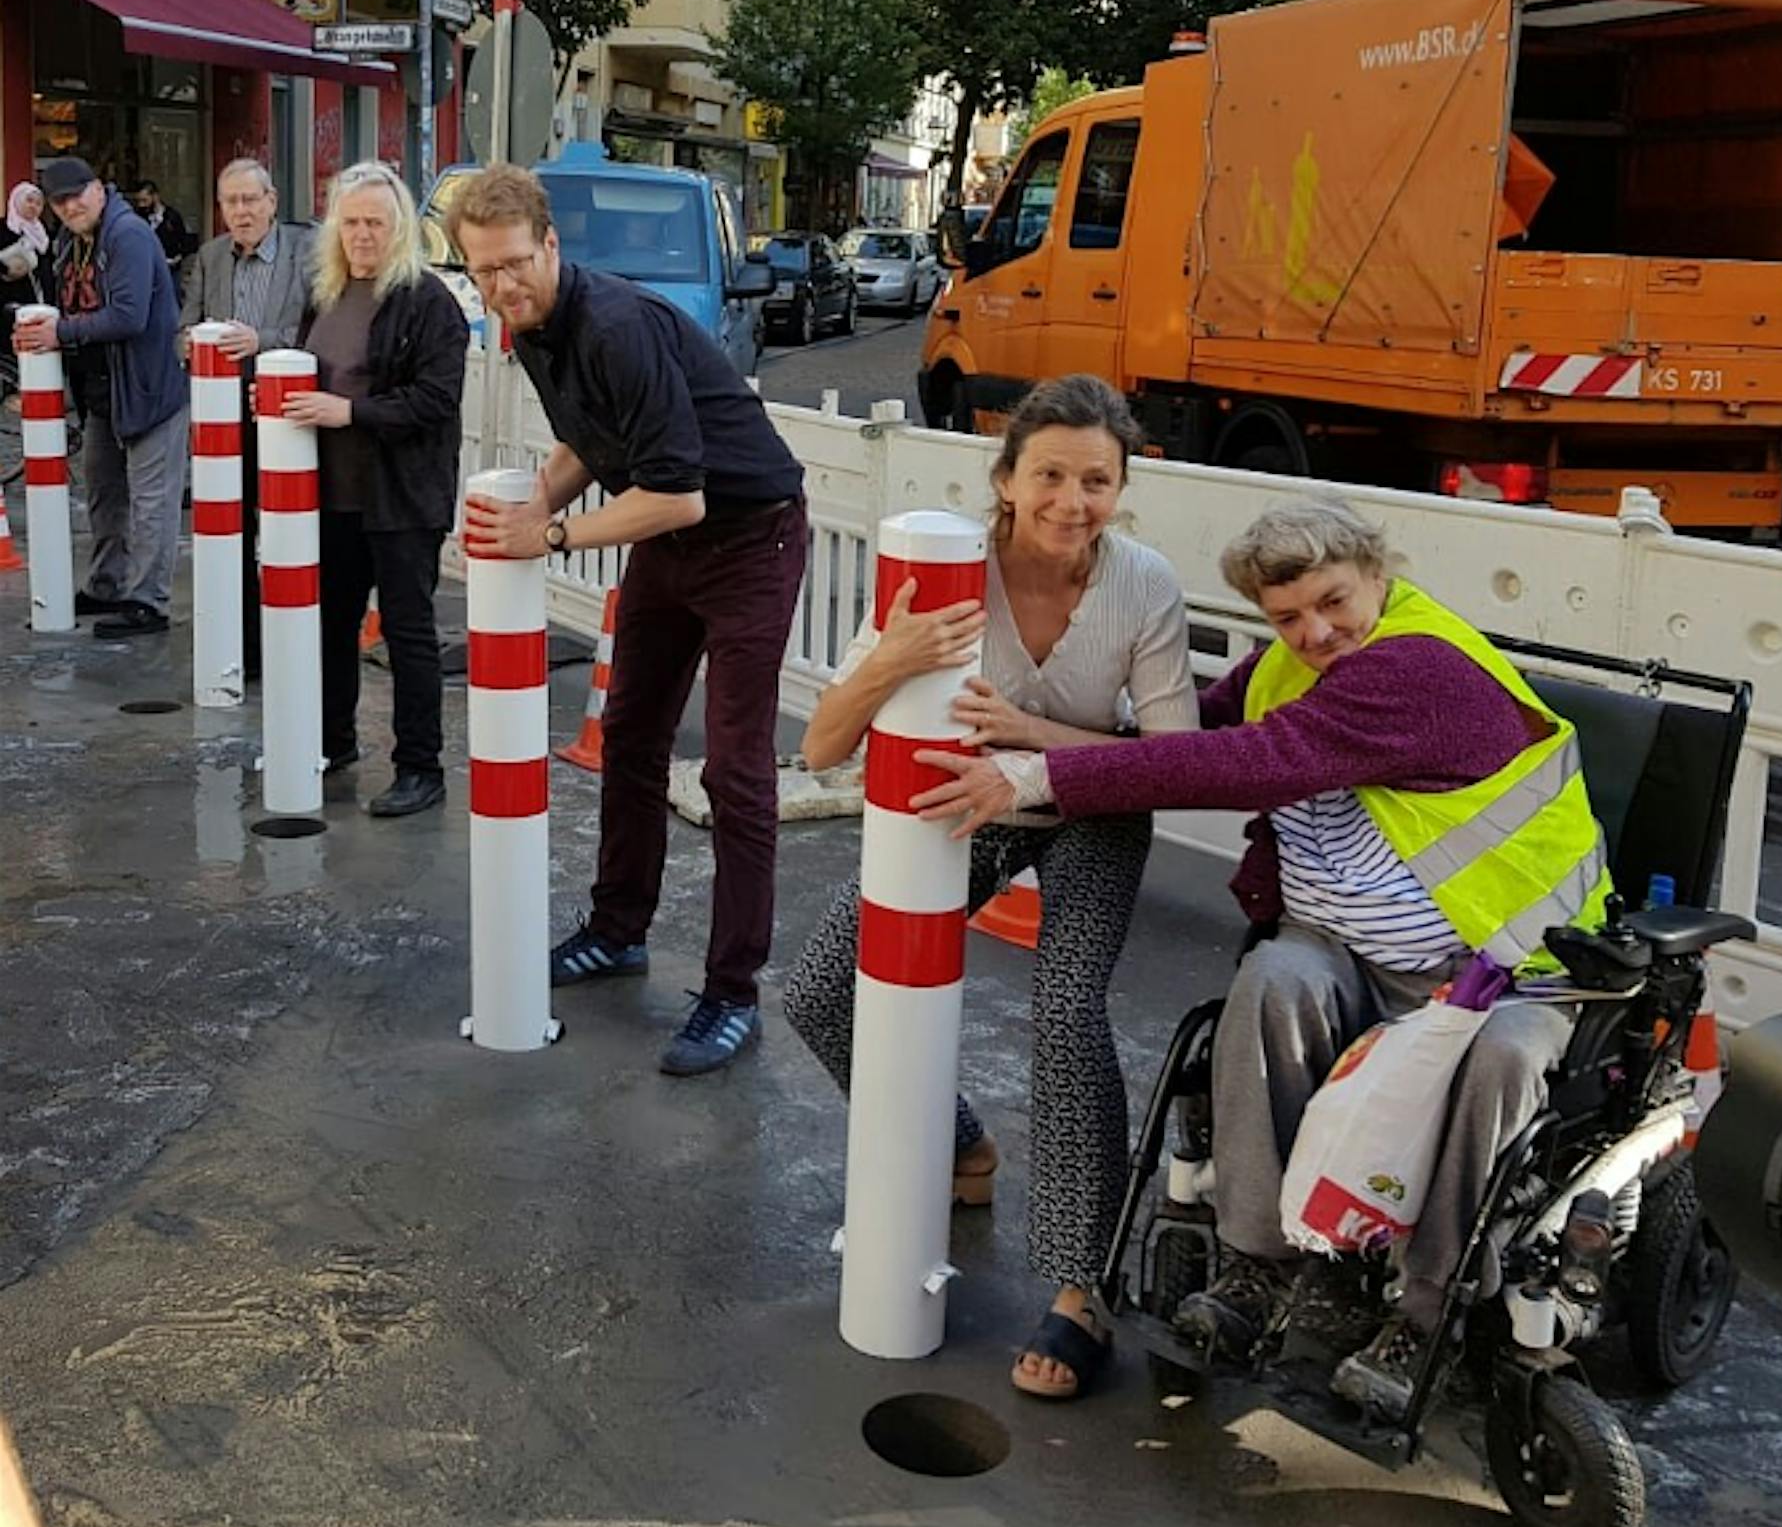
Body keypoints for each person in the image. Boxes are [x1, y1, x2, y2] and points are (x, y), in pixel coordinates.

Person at [910, 495, 1609, 1422]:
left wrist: (1034, 777)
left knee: (1505, 1062)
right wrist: (1040, 735)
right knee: (1271, 981)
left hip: (1501, 964)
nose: (1316, 633)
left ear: (1380, 575)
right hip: (1350, 952)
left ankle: (1425, 1305)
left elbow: (1246, 764)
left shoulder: (1416, 669)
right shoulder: (1284, 668)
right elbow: (1187, 745)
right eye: (1288, 616)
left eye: (1334, 601)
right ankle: (1255, 1265)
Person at [782, 375, 1199, 1400]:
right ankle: (962, 1140)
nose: (1071, 498)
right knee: (820, 990)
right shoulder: (944, 573)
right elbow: (821, 744)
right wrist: (889, 659)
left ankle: (1078, 1287)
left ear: (1121, 487)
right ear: (1005, 479)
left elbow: (1176, 760)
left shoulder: (1142, 584)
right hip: (972, 808)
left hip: (1091, 808)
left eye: (1095, 479)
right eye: (1048, 473)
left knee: (1065, 1009)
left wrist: (1036, 739)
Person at [451, 162, 807, 1078]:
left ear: (553, 245)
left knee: (734, 769)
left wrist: (552, 531)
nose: (503, 285)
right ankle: (619, 930)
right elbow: (591, 438)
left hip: (747, 537)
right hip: (673, 535)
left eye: (517, 263)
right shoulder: (528, 325)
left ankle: (733, 991)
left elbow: (681, 495)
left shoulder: (612, 324)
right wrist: (525, 505)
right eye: (484, 271)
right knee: (630, 735)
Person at [290, 161, 467, 819]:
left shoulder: (427, 302)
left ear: (400, 229)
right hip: (331, 496)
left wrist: (350, 413)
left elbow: (436, 399)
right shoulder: (325, 292)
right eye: (352, 221)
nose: (362, 234)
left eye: (375, 223)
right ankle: (334, 741)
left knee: (407, 634)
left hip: (400, 498)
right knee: (331, 626)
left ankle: (421, 768)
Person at [12, 156, 187, 636]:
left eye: (76, 195)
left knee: (152, 501)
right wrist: (37, 327)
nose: (69, 206)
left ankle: (148, 601)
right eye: (59, 201)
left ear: (98, 190)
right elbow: (65, 304)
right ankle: (107, 584)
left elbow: (129, 316)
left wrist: (58, 332)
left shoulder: (126, 235)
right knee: (104, 494)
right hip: (102, 392)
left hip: (147, 388)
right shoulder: (74, 239)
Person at [182, 158, 317, 669]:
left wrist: (259, 342)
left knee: (286, 530)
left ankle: (293, 639)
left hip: (286, 417)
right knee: (228, 530)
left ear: (271, 202)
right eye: (230, 203)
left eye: (249, 200)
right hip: (223, 422)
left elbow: (317, 331)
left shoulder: (305, 253)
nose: (241, 212)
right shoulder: (212, 257)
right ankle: (243, 645)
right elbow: (183, 328)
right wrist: (200, 344)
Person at [1, 181, 48, 345]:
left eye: (38, 203)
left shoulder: (43, 235)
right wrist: (6, 269)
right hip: (6, 301)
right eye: (29, 201)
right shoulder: (3, 229)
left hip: (35, 302)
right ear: (17, 200)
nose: (33, 206)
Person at [127, 177, 197, 279]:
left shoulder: (172, 217)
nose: (141, 205)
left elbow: (184, 241)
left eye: (144, 200)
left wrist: (178, 257)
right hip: (147, 270)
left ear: (155, 197)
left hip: (170, 271)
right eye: (138, 201)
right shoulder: (138, 218)